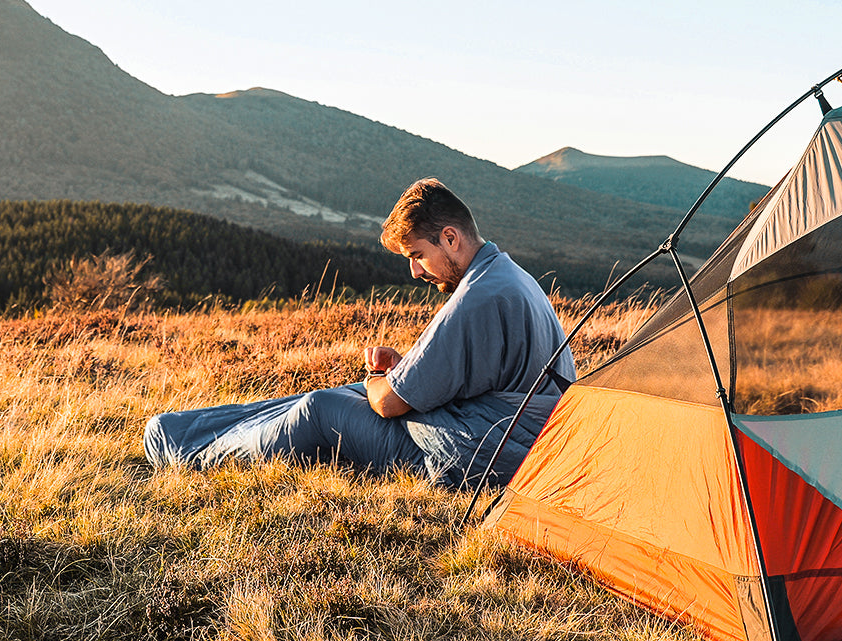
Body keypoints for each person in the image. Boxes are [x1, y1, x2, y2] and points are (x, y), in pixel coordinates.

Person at [143, 178, 575, 487]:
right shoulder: (506, 277)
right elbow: (482, 372)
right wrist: (403, 369)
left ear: (450, 237)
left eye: (418, 255)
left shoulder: (478, 297)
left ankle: (177, 446)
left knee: (320, 409)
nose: (413, 270)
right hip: (519, 438)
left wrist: (379, 381)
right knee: (346, 395)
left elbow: (389, 402)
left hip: (484, 454)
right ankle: (182, 428)